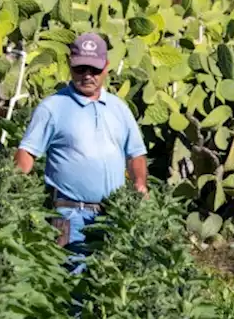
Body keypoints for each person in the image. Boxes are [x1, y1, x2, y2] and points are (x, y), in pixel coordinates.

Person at [14, 32, 148, 260]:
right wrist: (12, 192)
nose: (88, 76)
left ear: (106, 67)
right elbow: (27, 153)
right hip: (68, 213)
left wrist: (139, 182)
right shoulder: (53, 107)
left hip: (112, 214)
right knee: (71, 278)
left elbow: (136, 153)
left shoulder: (119, 109)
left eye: (94, 69)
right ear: (69, 65)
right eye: (80, 69)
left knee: (106, 283)